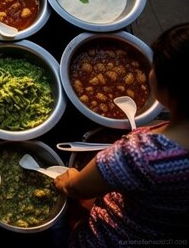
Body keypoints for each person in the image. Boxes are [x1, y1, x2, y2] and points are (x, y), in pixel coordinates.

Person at [54, 22, 189, 247]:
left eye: (154, 66)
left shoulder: (141, 154)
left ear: (167, 91)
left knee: (55, 223)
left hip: (111, 238)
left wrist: (67, 178)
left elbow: (78, 188)